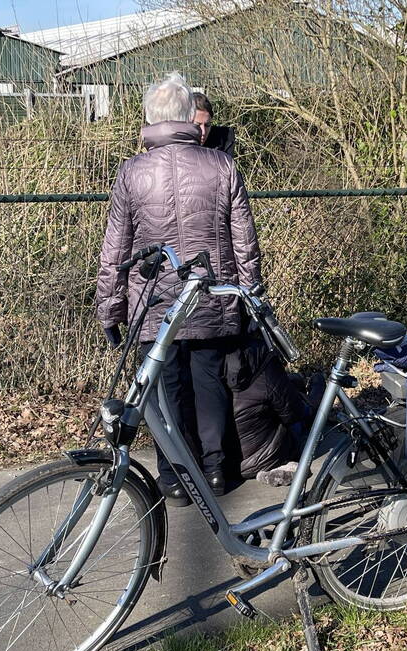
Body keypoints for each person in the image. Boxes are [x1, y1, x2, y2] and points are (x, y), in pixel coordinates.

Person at [96, 72, 261, 507]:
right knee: (209, 382)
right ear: (189, 117)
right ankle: (215, 470)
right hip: (211, 294)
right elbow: (245, 239)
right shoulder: (221, 165)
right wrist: (251, 293)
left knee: (166, 390)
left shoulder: (132, 171)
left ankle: (173, 477)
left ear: (150, 118)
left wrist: (110, 307)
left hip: (155, 301)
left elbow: (116, 246)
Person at [224, 338, 320, 485]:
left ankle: (298, 384)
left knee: (282, 388)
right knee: (302, 412)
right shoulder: (259, 356)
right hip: (263, 458)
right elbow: (294, 413)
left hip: (222, 462)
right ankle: (318, 384)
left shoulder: (199, 361)